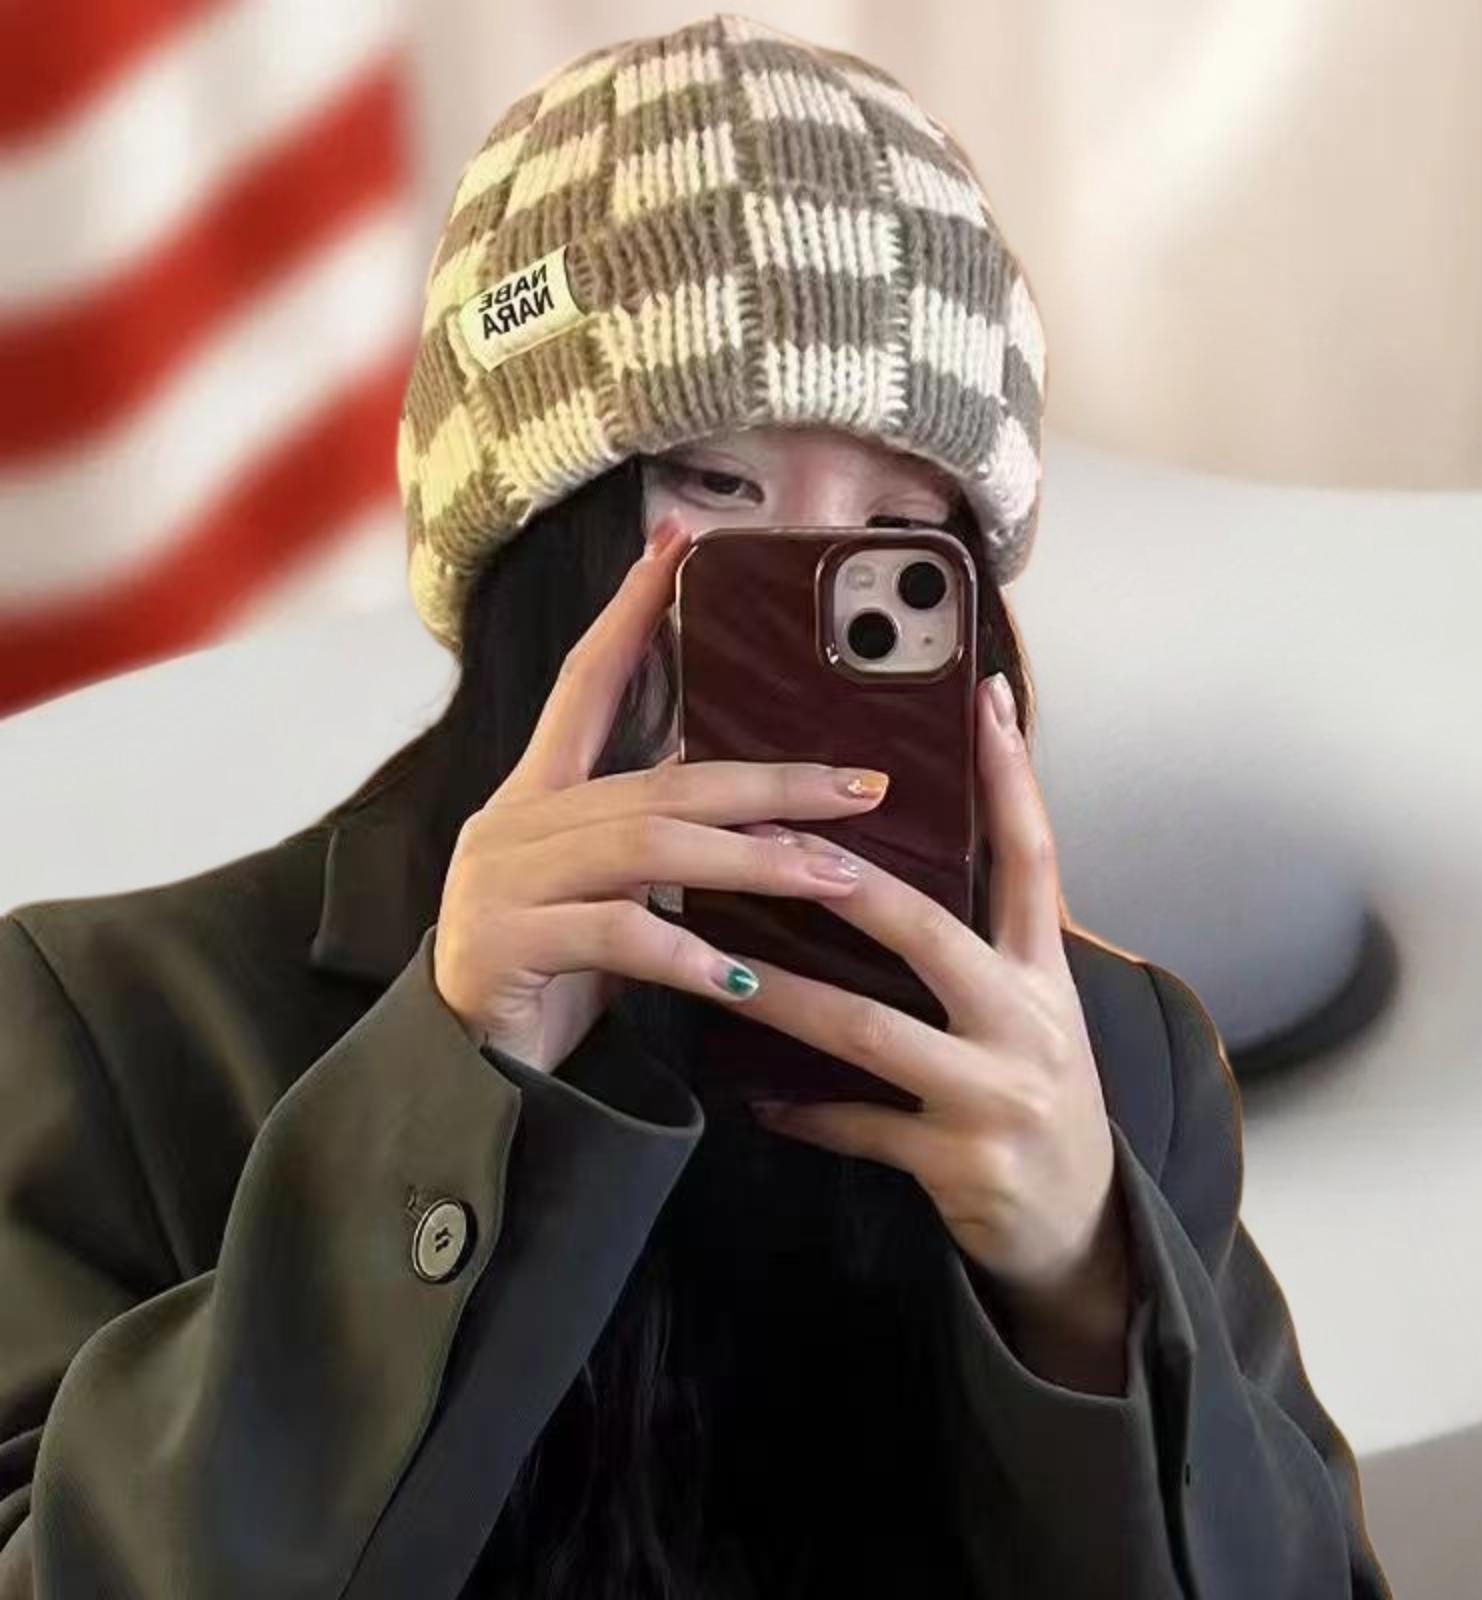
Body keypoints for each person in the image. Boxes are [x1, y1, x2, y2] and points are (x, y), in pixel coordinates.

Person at [0, 13, 1393, 1599]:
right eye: (716, 487)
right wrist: (450, 1094)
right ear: (524, 540)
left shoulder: (1107, 1061)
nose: (799, 580)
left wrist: (1089, 1295)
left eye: (898, 534)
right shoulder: (118, 1027)